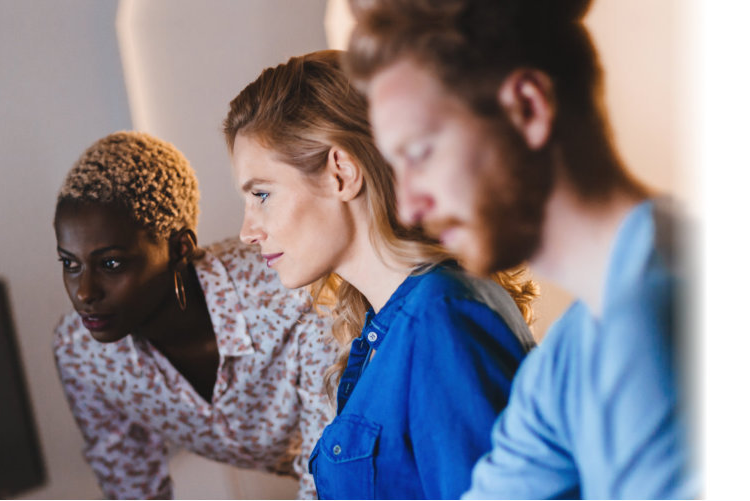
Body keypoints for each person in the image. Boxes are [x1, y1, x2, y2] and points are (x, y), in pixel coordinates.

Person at [343, 0, 698, 498]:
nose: (409, 206)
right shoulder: (572, 349)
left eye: (419, 154)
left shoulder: (659, 315)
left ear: (527, 108)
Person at [224, 49, 540, 500]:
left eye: (262, 194)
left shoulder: (441, 317)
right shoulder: (382, 329)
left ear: (342, 172)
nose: (247, 231)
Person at [51, 131, 339, 499]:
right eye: (69, 264)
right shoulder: (81, 354)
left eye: (111, 263)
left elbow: (333, 473)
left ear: (179, 248)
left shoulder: (289, 292)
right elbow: (131, 486)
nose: (84, 292)